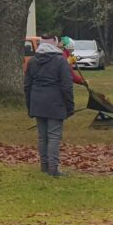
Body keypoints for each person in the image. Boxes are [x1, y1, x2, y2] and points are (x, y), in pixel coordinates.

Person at [24, 34, 74, 177]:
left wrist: (30, 106)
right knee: (53, 136)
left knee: (42, 137)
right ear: (55, 44)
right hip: (55, 102)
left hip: (37, 102)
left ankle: (44, 166)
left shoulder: (32, 61)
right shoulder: (60, 61)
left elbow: (27, 86)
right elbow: (66, 86)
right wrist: (69, 106)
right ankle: (53, 168)